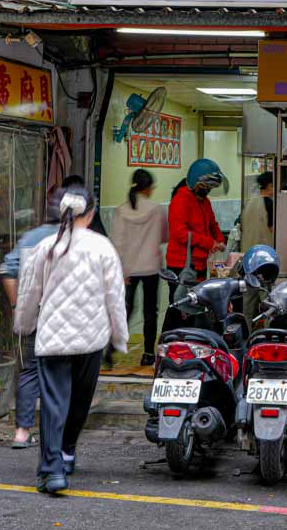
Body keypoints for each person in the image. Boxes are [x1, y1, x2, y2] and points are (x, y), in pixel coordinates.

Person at [14, 186, 128, 495]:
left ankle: (53, 472)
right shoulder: (102, 247)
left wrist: (24, 325)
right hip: (91, 340)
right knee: (80, 402)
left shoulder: (46, 246)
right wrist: (120, 339)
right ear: (90, 215)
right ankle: (66, 452)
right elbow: (115, 297)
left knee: (54, 403)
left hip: (53, 339)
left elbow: (28, 293)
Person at [0, 187, 61, 449]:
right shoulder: (76, 238)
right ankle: (56, 433)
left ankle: (22, 432)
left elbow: (7, 270)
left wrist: (17, 304)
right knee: (62, 372)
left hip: (35, 313)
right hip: (65, 317)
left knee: (31, 371)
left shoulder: (30, 238)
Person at [110, 169, 168, 368]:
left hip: (128, 269)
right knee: (150, 312)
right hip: (151, 268)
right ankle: (148, 353)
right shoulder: (157, 210)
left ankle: (111, 349)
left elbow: (117, 242)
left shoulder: (121, 210)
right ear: (148, 188)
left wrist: (122, 270)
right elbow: (164, 237)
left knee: (125, 310)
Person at [163, 158, 226, 332]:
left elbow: (213, 225)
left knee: (194, 306)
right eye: (206, 186)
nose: (208, 190)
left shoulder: (205, 202)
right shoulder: (181, 200)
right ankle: (169, 344)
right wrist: (208, 242)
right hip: (180, 265)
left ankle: (189, 344)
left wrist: (219, 240)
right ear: (195, 182)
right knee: (179, 308)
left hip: (198, 264)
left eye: (210, 187)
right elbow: (180, 233)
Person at [239, 172, 275, 325]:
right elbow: (273, 229)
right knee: (268, 301)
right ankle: (268, 334)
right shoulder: (269, 204)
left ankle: (246, 335)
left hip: (248, 258)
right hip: (264, 259)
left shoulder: (249, 203)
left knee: (248, 302)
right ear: (270, 186)